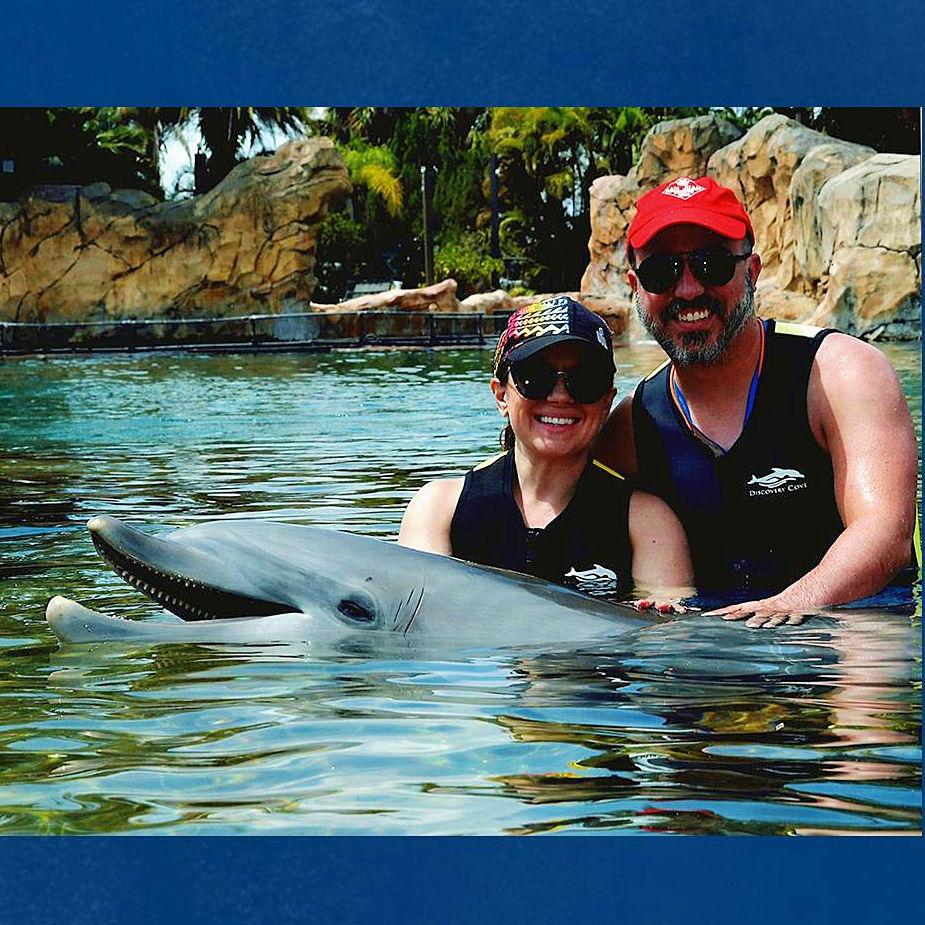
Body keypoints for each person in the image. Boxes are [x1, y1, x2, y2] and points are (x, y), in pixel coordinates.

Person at [594, 175, 919, 627]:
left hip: (857, 624)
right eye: (661, 272)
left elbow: (884, 532)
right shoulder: (637, 422)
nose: (687, 289)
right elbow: (547, 494)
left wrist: (789, 603)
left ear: (752, 271)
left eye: (711, 265)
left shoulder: (839, 373)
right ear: (636, 286)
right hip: (712, 643)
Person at [399, 296, 693, 607]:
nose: (560, 396)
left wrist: (661, 615)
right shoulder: (439, 509)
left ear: (607, 401)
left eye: (585, 379)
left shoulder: (646, 522)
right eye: (535, 376)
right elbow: (416, 616)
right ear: (501, 395)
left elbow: (670, 624)